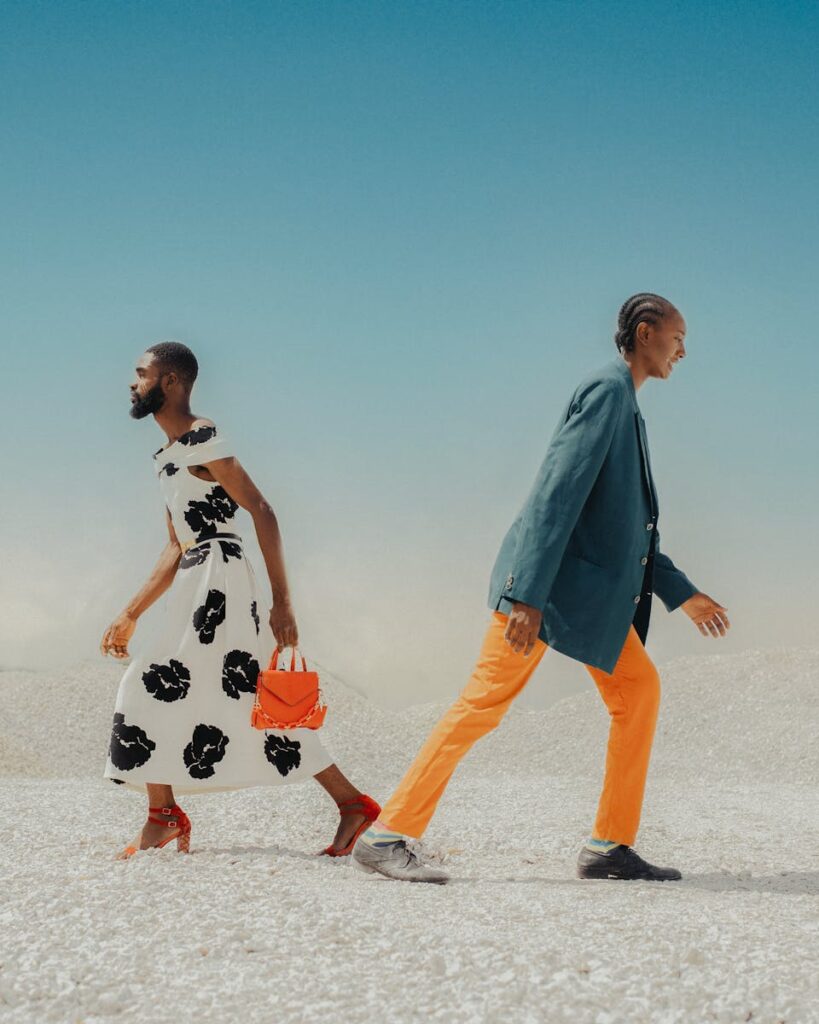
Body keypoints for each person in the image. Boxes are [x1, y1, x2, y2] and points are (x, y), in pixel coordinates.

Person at [353, 293, 730, 884]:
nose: (684, 350)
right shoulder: (607, 391)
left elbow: (627, 530)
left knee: (639, 691)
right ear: (647, 331)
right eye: (679, 336)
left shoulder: (625, 403)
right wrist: (525, 595)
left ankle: (609, 846)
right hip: (548, 595)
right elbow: (556, 492)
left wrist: (682, 592)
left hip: (582, 601)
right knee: (482, 705)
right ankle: (386, 834)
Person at [101, 341, 379, 858]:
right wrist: (129, 613)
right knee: (251, 697)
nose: (132, 382)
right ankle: (352, 804)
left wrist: (283, 604)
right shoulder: (166, 457)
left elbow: (263, 510)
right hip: (195, 573)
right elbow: (174, 544)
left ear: (171, 382)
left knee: (147, 683)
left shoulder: (203, 437)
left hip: (221, 579)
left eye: (142, 373)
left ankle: (163, 814)